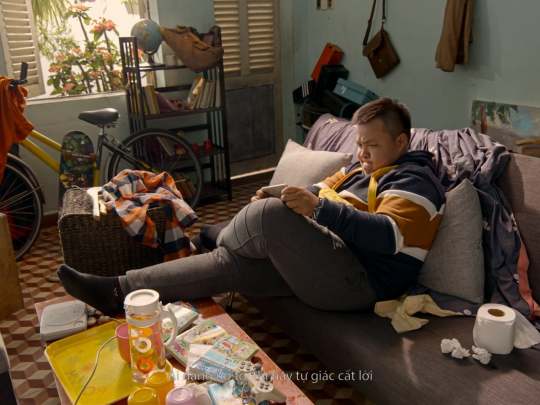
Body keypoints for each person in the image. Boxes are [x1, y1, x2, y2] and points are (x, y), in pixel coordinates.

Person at [58, 98, 446, 316]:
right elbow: (318, 190)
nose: (362, 153)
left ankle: (220, 234)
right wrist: (285, 195)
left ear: (401, 142)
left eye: (372, 145)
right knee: (233, 264)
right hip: (327, 260)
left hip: (361, 283)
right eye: (359, 144)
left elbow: (386, 237)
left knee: (266, 217)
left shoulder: (414, 181)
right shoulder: (359, 170)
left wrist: (311, 209)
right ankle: (118, 291)